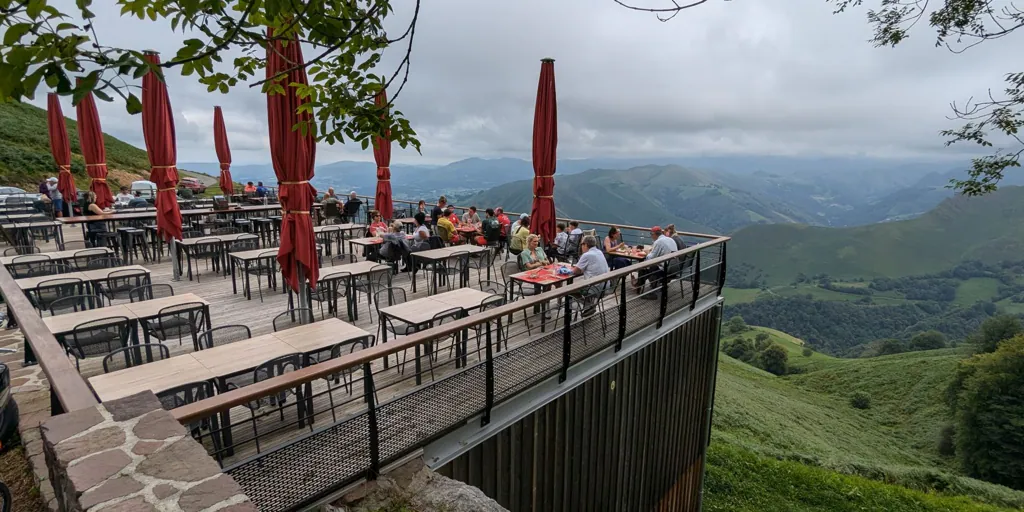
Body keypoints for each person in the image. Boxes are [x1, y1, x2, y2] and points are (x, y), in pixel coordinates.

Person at [633, 226, 679, 299]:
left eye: (651, 234)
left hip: (664, 270)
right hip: (674, 268)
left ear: (654, 234)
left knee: (644, 267)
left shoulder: (659, 242)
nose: (651, 236)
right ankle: (640, 283)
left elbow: (650, 258)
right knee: (650, 267)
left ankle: (642, 287)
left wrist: (647, 252)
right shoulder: (670, 239)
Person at [572, 235, 611, 315]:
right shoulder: (599, 252)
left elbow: (575, 271)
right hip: (605, 286)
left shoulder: (587, 255)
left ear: (585, 244)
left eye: (582, 244)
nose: (581, 247)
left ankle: (588, 306)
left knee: (569, 291)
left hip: (594, 288)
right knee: (582, 286)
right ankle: (590, 306)